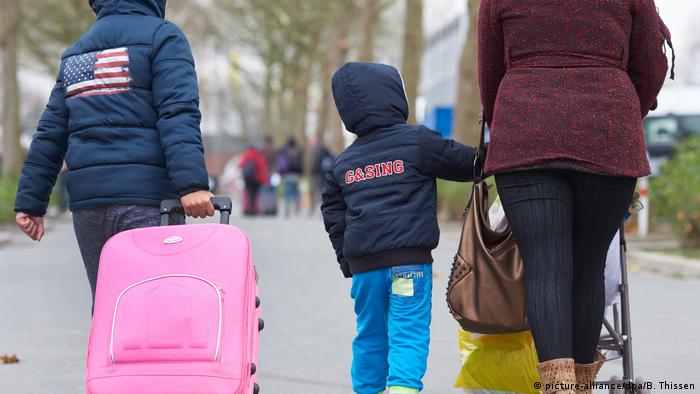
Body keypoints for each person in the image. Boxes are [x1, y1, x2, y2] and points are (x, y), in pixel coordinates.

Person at [477, 1, 670, 392]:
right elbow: (651, 64)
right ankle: (579, 387)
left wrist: (511, 124)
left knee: (545, 267)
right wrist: (621, 110)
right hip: (607, 132)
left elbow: (490, 72)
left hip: (525, 132)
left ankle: (558, 388)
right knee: (587, 268)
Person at [13, 0, 214, 305]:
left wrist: (31, 201)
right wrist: (192, 185)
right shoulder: (163, 37)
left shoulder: (77, 52)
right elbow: (177, 112)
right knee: (158, 307)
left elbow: (51, 132)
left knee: (111, 308)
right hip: (148, 200)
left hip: (90, 206)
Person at [321, 62, 477, 394]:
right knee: (408, 331)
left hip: (365, 272)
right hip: (408, 266)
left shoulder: (343, 163)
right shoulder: (418, 141)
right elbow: (466, 163)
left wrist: (348, 262)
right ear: (395, 96)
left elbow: (333, 216)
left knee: (370, 334)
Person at [239, 144, 269, 216]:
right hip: (256, 180)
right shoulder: (258, 156)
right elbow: (262, 169)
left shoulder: (246, 156)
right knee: (254, 195)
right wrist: (265, 180)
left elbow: (240, 165)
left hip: (247, 179)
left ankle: (247, 209)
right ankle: (253, 210)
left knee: (248, 194)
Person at [277, 137, 303, 217]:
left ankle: (287, 210)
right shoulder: (298, 151)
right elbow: (301, 163)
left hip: (287, 175)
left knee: (287, 193)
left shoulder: (285, 151)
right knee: (296, 193)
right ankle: (296, 209)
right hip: (296, 175)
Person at [309, 136, 334, 215]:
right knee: (321, 191)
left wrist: (312, 171)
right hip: (323, 174)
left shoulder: (316, 150)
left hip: (317, 174)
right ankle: (321, 209)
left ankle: (314, 209)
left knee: (315, 191)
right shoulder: (324, 150)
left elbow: (314, 164)